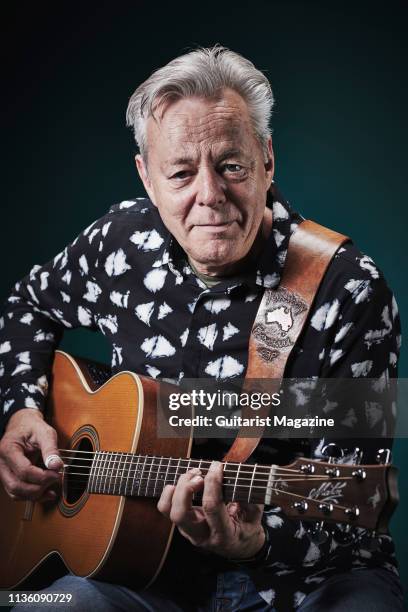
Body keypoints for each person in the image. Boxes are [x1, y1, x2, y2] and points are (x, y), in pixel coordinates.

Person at [0, 46, 404, 611]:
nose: (209, 196)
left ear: (267, 159)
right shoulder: (121, 242)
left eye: (232, 166)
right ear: (146, 177)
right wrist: (22, 409)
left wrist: (255, 540)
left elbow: (352, 505)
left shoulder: (346, 290)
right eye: (182, 172)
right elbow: (27, 306)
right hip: (136, 573)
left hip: (302, 579)